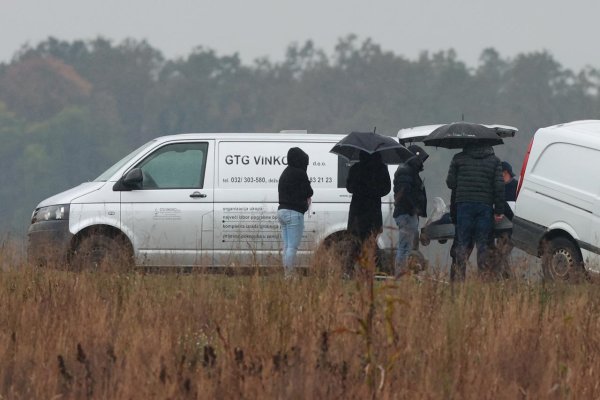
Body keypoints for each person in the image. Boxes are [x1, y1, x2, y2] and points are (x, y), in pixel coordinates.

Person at [446, 144, 504, 281]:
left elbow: (450, 183)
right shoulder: (495, 161)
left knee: (462, 243)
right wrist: (499, 210)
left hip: (463, 205)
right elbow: (499, 187)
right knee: (483, 244)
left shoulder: (458, 159)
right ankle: (484, 281)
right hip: (485, 206)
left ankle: (458, 281)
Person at [346, 151, 391, 268]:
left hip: (357, 210)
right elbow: (386, 189)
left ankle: (350, 268)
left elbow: (349, 188)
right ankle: (370, 267)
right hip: (373, 210)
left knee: (356, 242)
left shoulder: (355, 168)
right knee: (371, 241)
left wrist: (360, 188)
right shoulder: (381, 168)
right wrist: (373, 190)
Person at [392, 145, 428, 277]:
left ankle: (402, 274)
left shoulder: (406, 170)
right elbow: (405, 192)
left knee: (406, 247)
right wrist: (414, 208)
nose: (422, 163)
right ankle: (400, 276)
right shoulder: (406, 171)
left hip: (407, 213)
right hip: (407, 214)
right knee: (404, 248)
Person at [278, 147, 313, 276]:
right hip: (294, 212)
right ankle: (289, 275)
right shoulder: (300, 173)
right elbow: (309, 192)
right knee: (292, 247)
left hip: (282, 211)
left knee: (287, 246)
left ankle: (287, 273)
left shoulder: (285, 172)